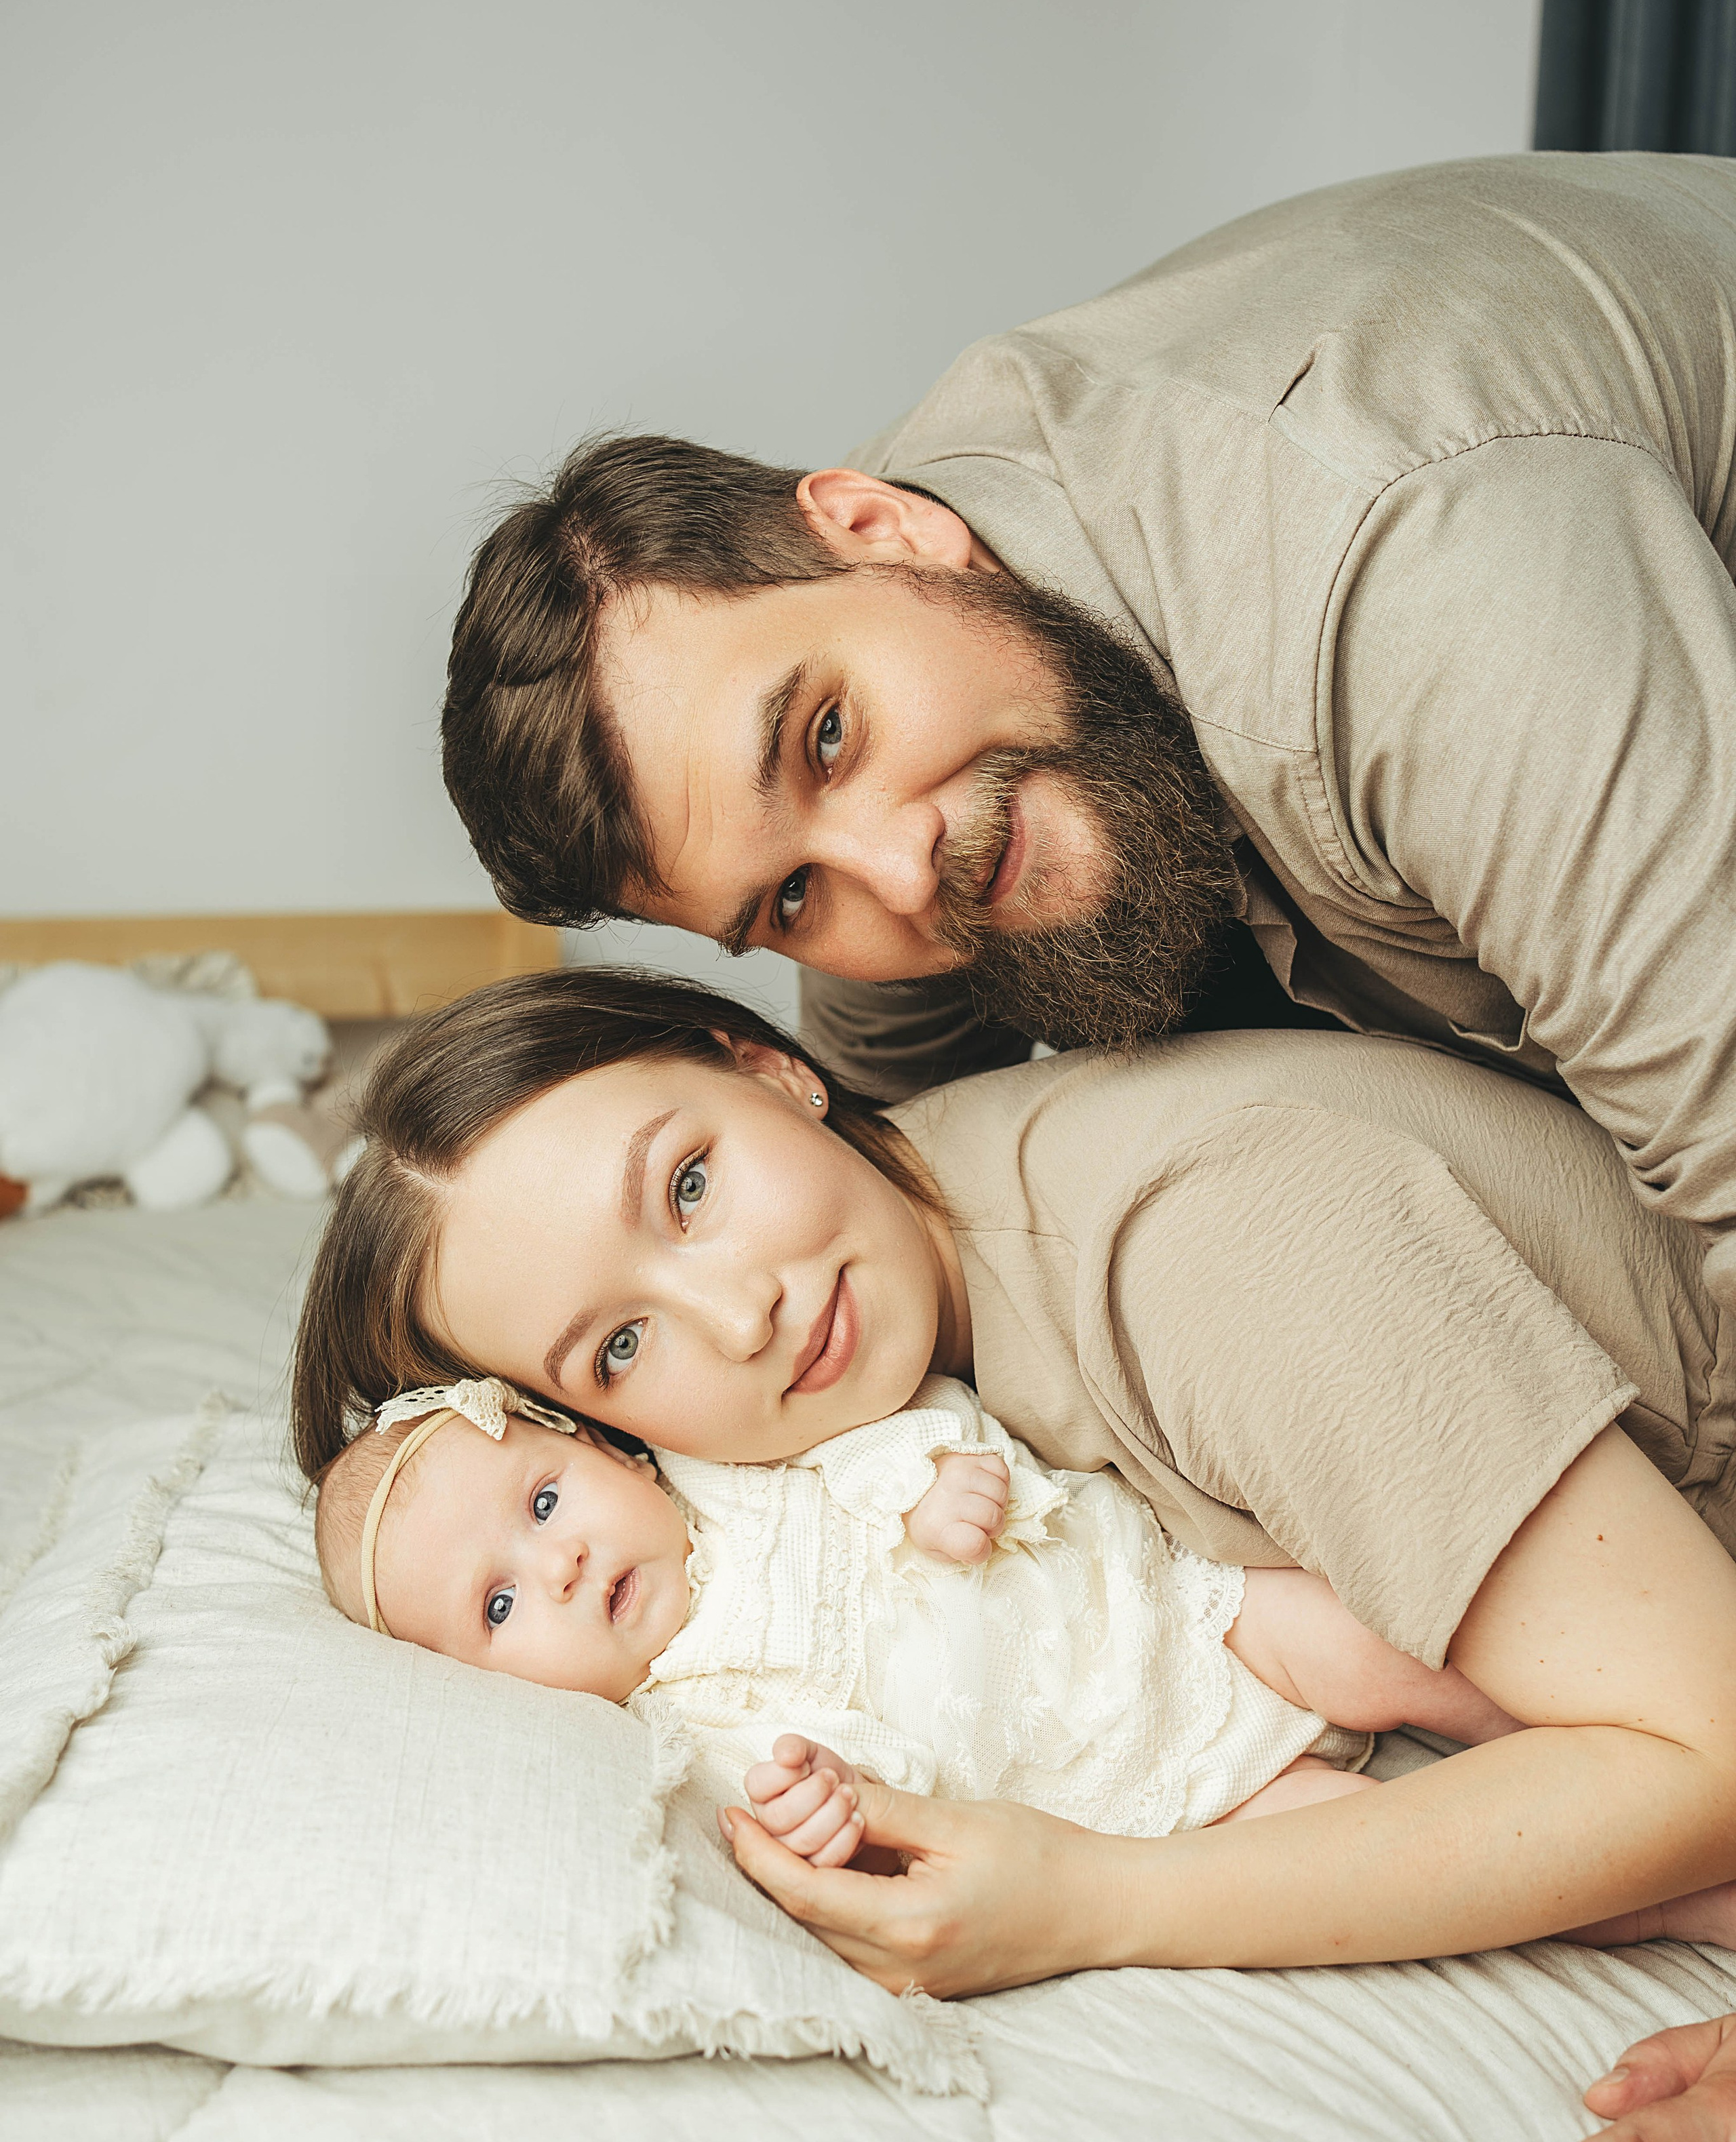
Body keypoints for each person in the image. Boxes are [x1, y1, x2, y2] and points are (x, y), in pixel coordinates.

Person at [441, 154, 1736, 1334]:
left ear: (883, 526)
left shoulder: (1403, 573)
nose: (896, 872)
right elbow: (880, 1166)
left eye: (826, 739)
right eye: (786, 900)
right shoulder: (868, 648)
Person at [291, 966, 1736, 1978]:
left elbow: (1713, 1762)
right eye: (615, 1348)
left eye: (688, 1185)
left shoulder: (1194, 1248)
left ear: (774, 1070)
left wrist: (1093, 1901)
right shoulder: (913, 1288)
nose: (742, 1318)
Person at [313, 1370, 1531, 1854]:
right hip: (1155, 1801)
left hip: (1184, 1613)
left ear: (601, 1451)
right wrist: (831, 1816)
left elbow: (894, 1418)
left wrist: (936, 1480)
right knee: (1415, 1847)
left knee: (1401, 1654)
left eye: (542, 1499)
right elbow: (856, 1810)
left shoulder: (722, 1468)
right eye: (502, 1602)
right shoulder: (689, 1727)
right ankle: (1684, 1889)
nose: (563, 1564)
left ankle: (1662, 1736)